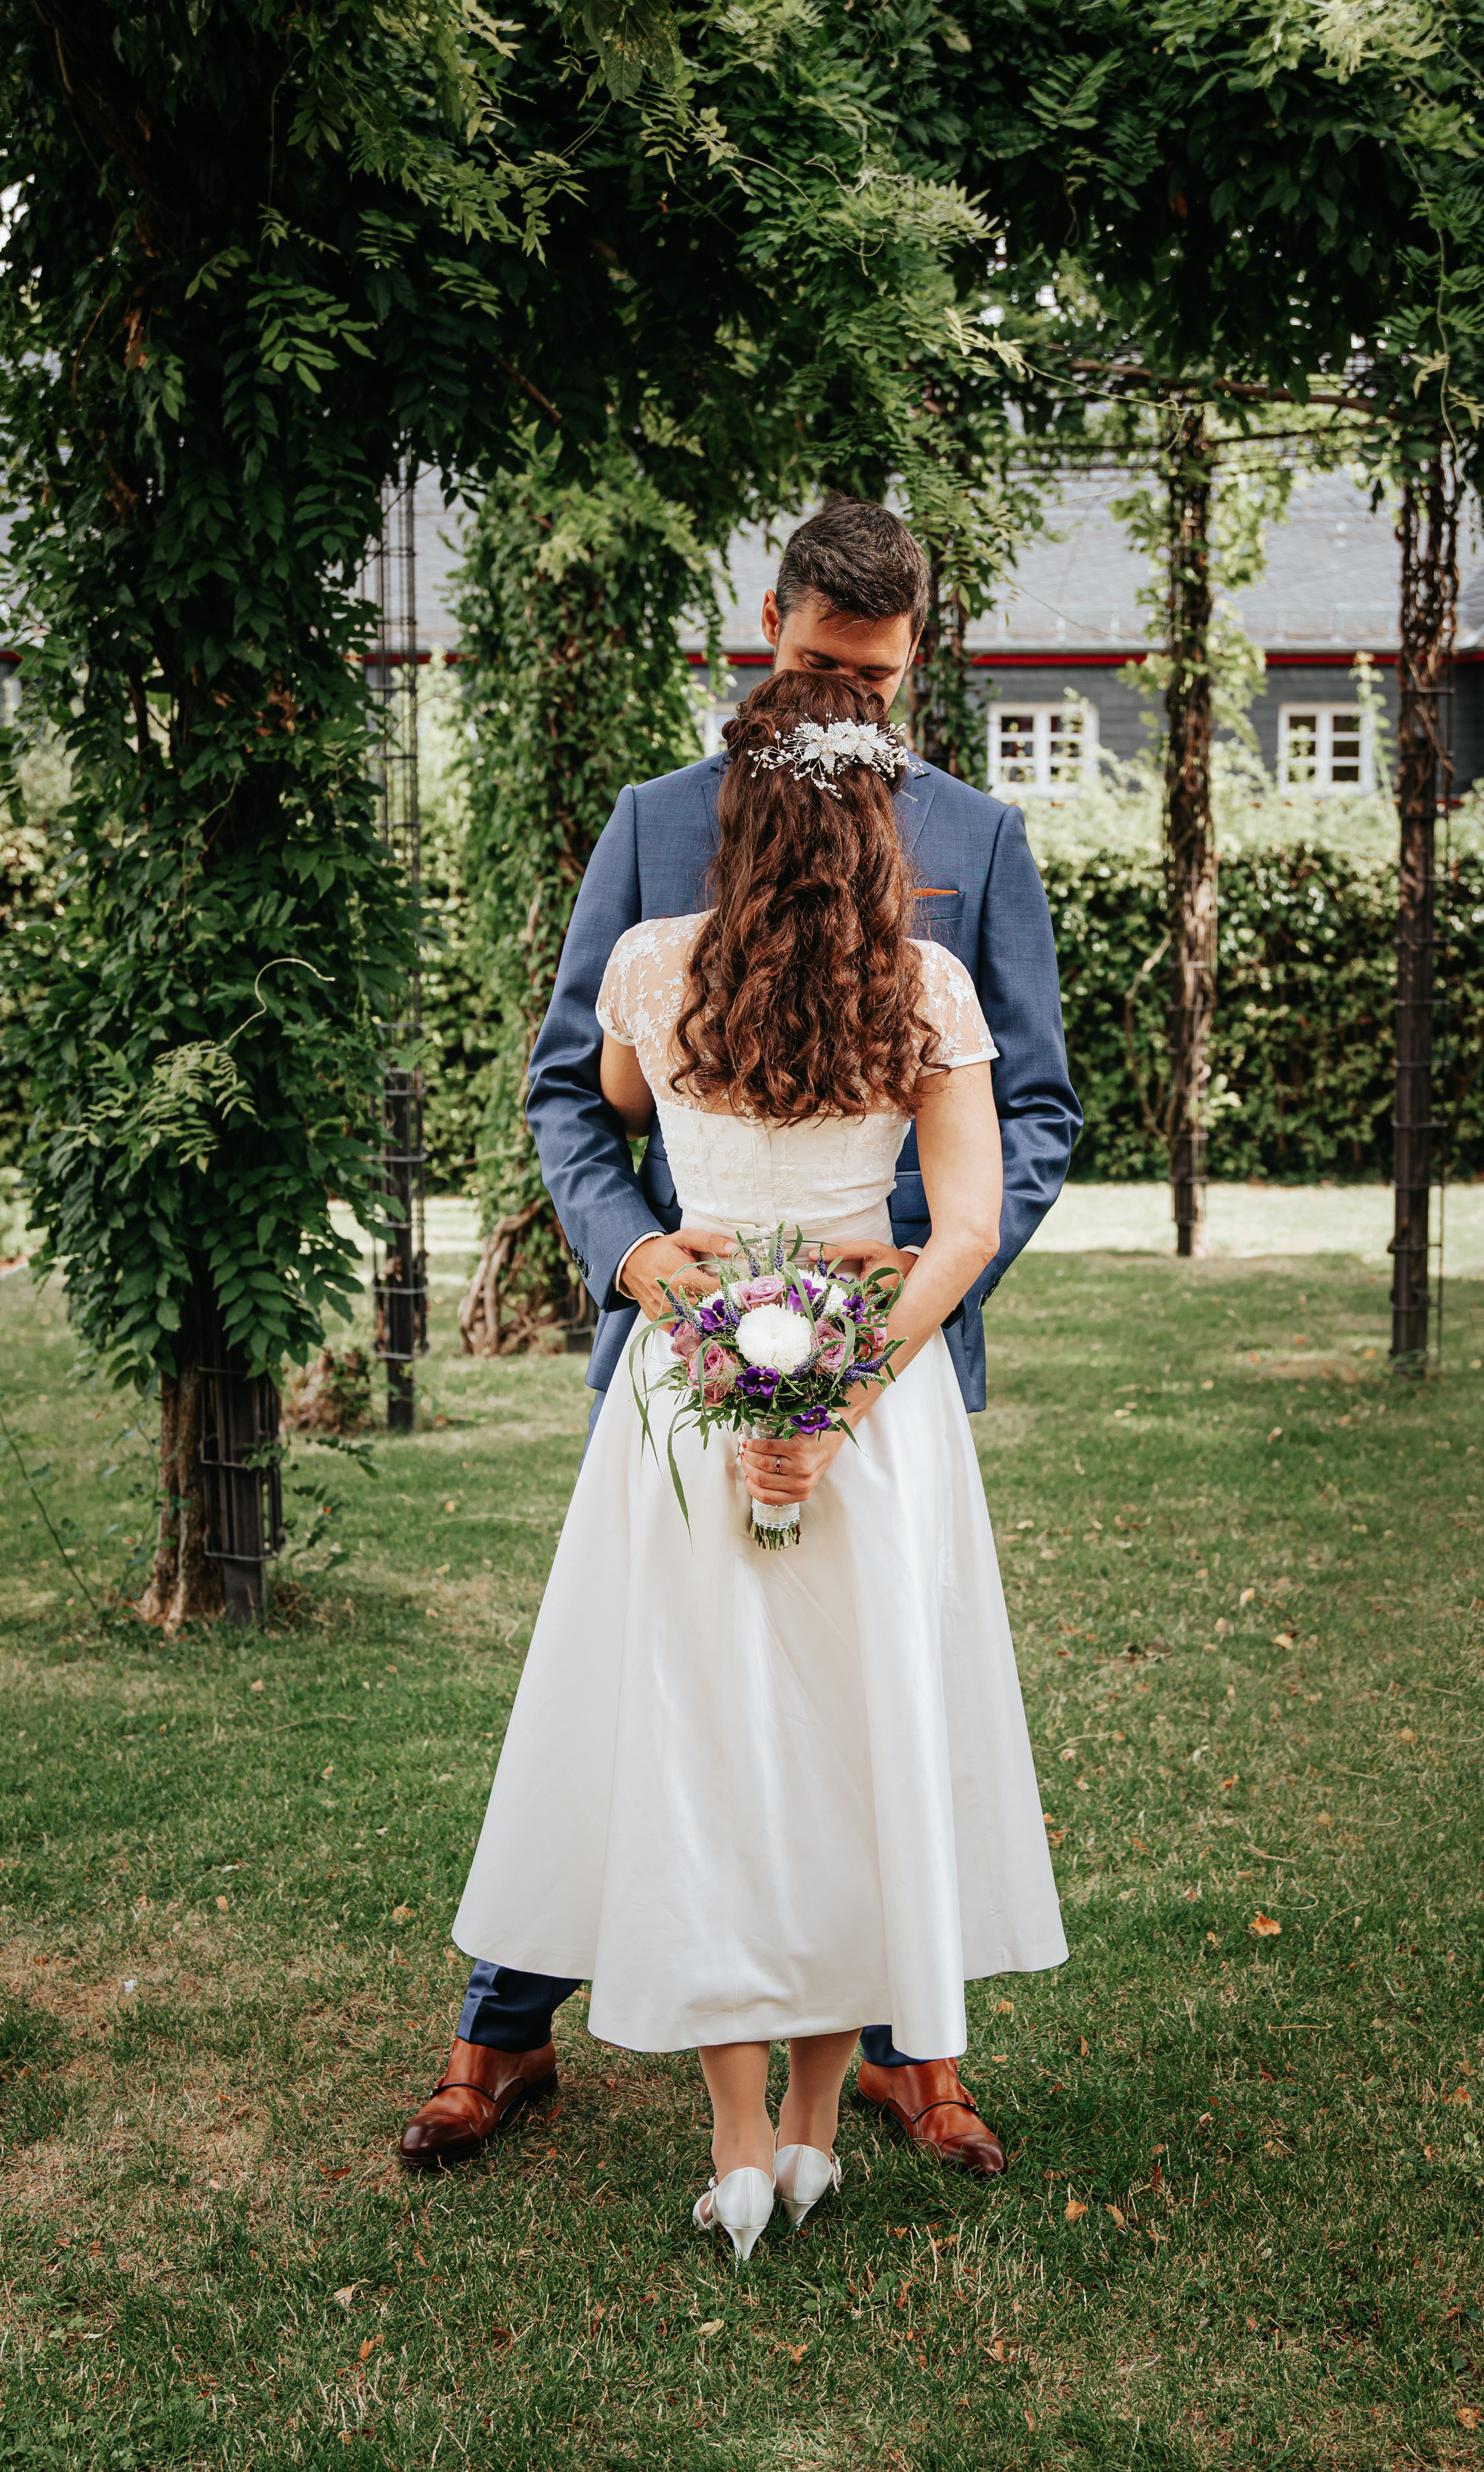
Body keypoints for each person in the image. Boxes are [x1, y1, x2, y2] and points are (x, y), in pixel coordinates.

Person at [400, 498, 1081, 2185]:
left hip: (882, 1351)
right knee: (629, 1684)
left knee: (873, 1696)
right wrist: (638, 1258)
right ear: (769, 629)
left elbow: (1030, 1119)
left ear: (916, 662)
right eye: (824, 665)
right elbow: (575, 1092)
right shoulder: (655, 827)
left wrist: (890, 1302)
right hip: (682, 1342)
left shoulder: (976, 838)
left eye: (879, 679)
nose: (850, 700)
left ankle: (914, 2055)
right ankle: (504, 2025)